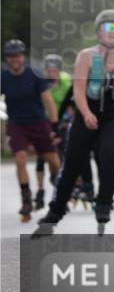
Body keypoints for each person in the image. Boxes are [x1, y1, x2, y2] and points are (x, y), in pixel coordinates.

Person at [32, 9, 114, 236]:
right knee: (72, 164)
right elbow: (78, 91)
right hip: (86, 112)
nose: (111, 33)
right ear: (99, 31)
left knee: (109, 154)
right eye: (107, 28)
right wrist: (86, 113)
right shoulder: (86, 56)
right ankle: (55, 213)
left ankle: (104, 202)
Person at [1, 40, 60, 222]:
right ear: (7, 59)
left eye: (18, 55)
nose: (15, 59)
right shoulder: (3, 77)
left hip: (38, 122)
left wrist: (54, 125)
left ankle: (58, 185)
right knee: (20, 158)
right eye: (11, 56)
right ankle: (26, 200)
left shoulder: (34, 75)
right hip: (17, 124)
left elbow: (48, 100)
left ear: (23, 56)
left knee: (53, 160)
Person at [33, 53, 72, 209]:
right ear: (44, 70)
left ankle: (60, 192)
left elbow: (72, 102)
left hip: (61, 121)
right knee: (41, 157)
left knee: (61, 157)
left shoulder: (66, 82)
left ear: (60, 70)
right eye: (49, 70)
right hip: (43, 121)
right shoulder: (39, 82)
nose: (52, 73)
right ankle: (40, 190)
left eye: (55, 70)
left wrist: (67, 120)